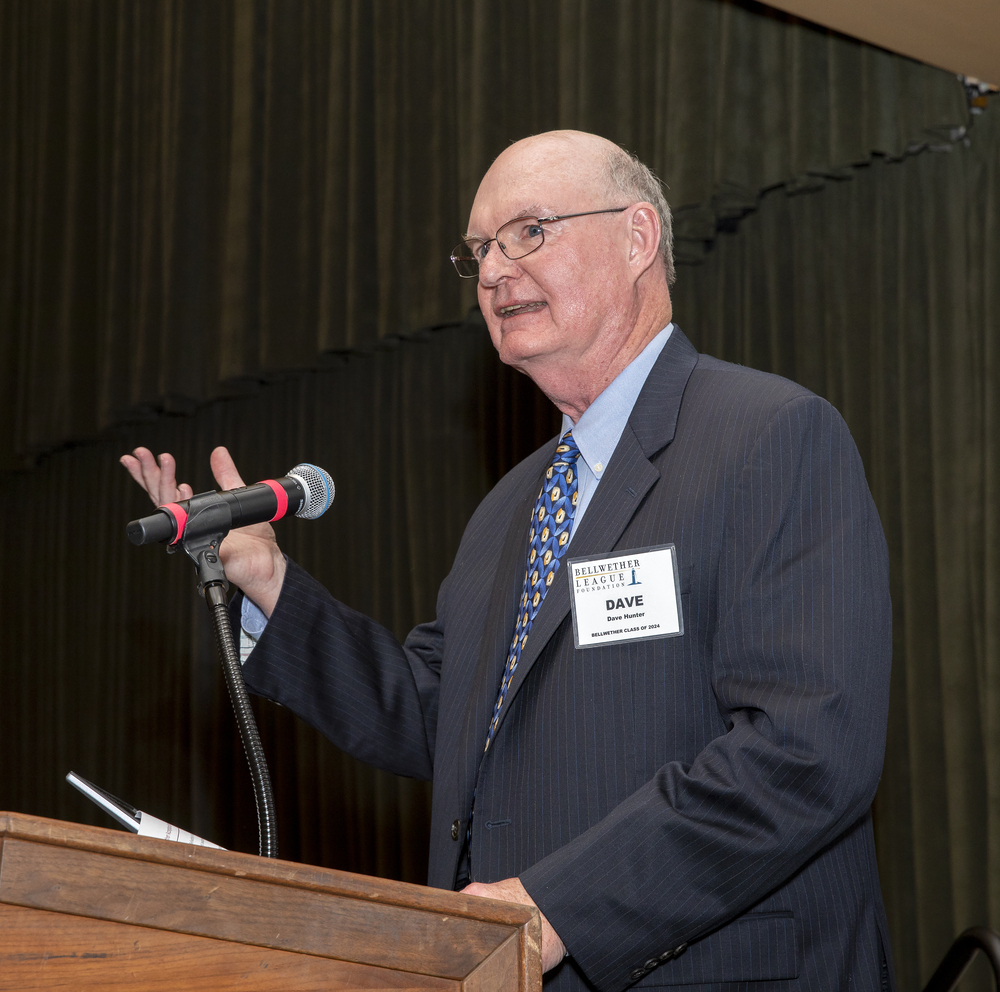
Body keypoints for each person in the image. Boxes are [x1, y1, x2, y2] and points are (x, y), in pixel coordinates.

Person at [123, 130, 895, 991]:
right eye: (479, 249)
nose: (492, 271)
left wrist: (558, 908)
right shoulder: (509, 510)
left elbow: (807, 749)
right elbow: (437, 715)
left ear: (638, 238)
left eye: (528, 231)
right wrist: (269, 585)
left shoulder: (769, 436)